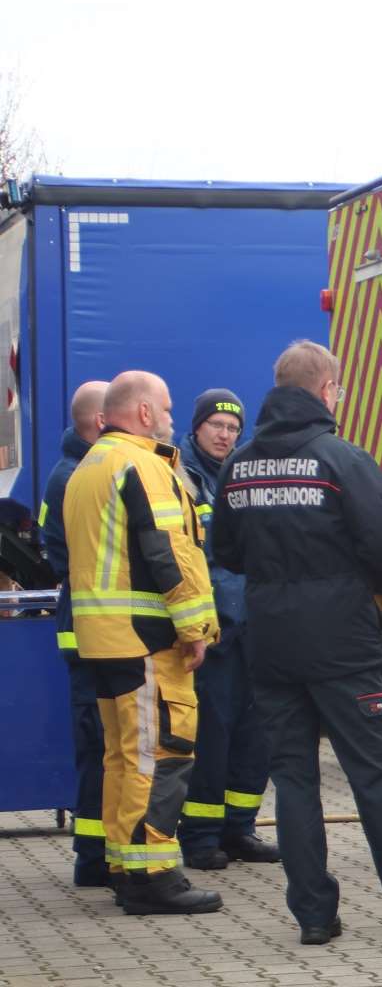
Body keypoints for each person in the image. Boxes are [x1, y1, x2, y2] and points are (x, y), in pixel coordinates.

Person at [212, 341, 382, 944]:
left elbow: (224, 551)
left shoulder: (241, 463)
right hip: (340, 640)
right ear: (327, 388)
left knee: (295, 781)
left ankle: (313, 915)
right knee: (376, 775)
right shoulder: (341, 458)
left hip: (271, 639)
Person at [63, 371, 222, 915]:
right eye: (169, 409)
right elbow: (167, 552)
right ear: (146, 414)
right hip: (146, 639)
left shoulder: (90, 465)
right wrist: (195, 627)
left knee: (123, 758)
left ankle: (125, 865)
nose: (174, 419)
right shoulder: (144, 464)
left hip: (104, 640)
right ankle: (151, 875)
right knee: (160, 754)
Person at [175, 389, 280, 870]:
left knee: (253, 734)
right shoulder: (180, 477)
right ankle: (199, 836)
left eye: (233, 428)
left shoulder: (241, 477)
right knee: (211, 737)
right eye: (216, 425)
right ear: (197, 428)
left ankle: (240, 828)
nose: (225, 435)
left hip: (253, 625)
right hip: (211, 631)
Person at [38, 380, 110, 888]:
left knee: (103, 750)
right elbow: (71, 557)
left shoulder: (70, 472)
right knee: (101, 751)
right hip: (92, 638)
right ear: (102, 421)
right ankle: (93, 857)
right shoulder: (78, 476)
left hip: (86, 632)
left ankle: (97, 852)